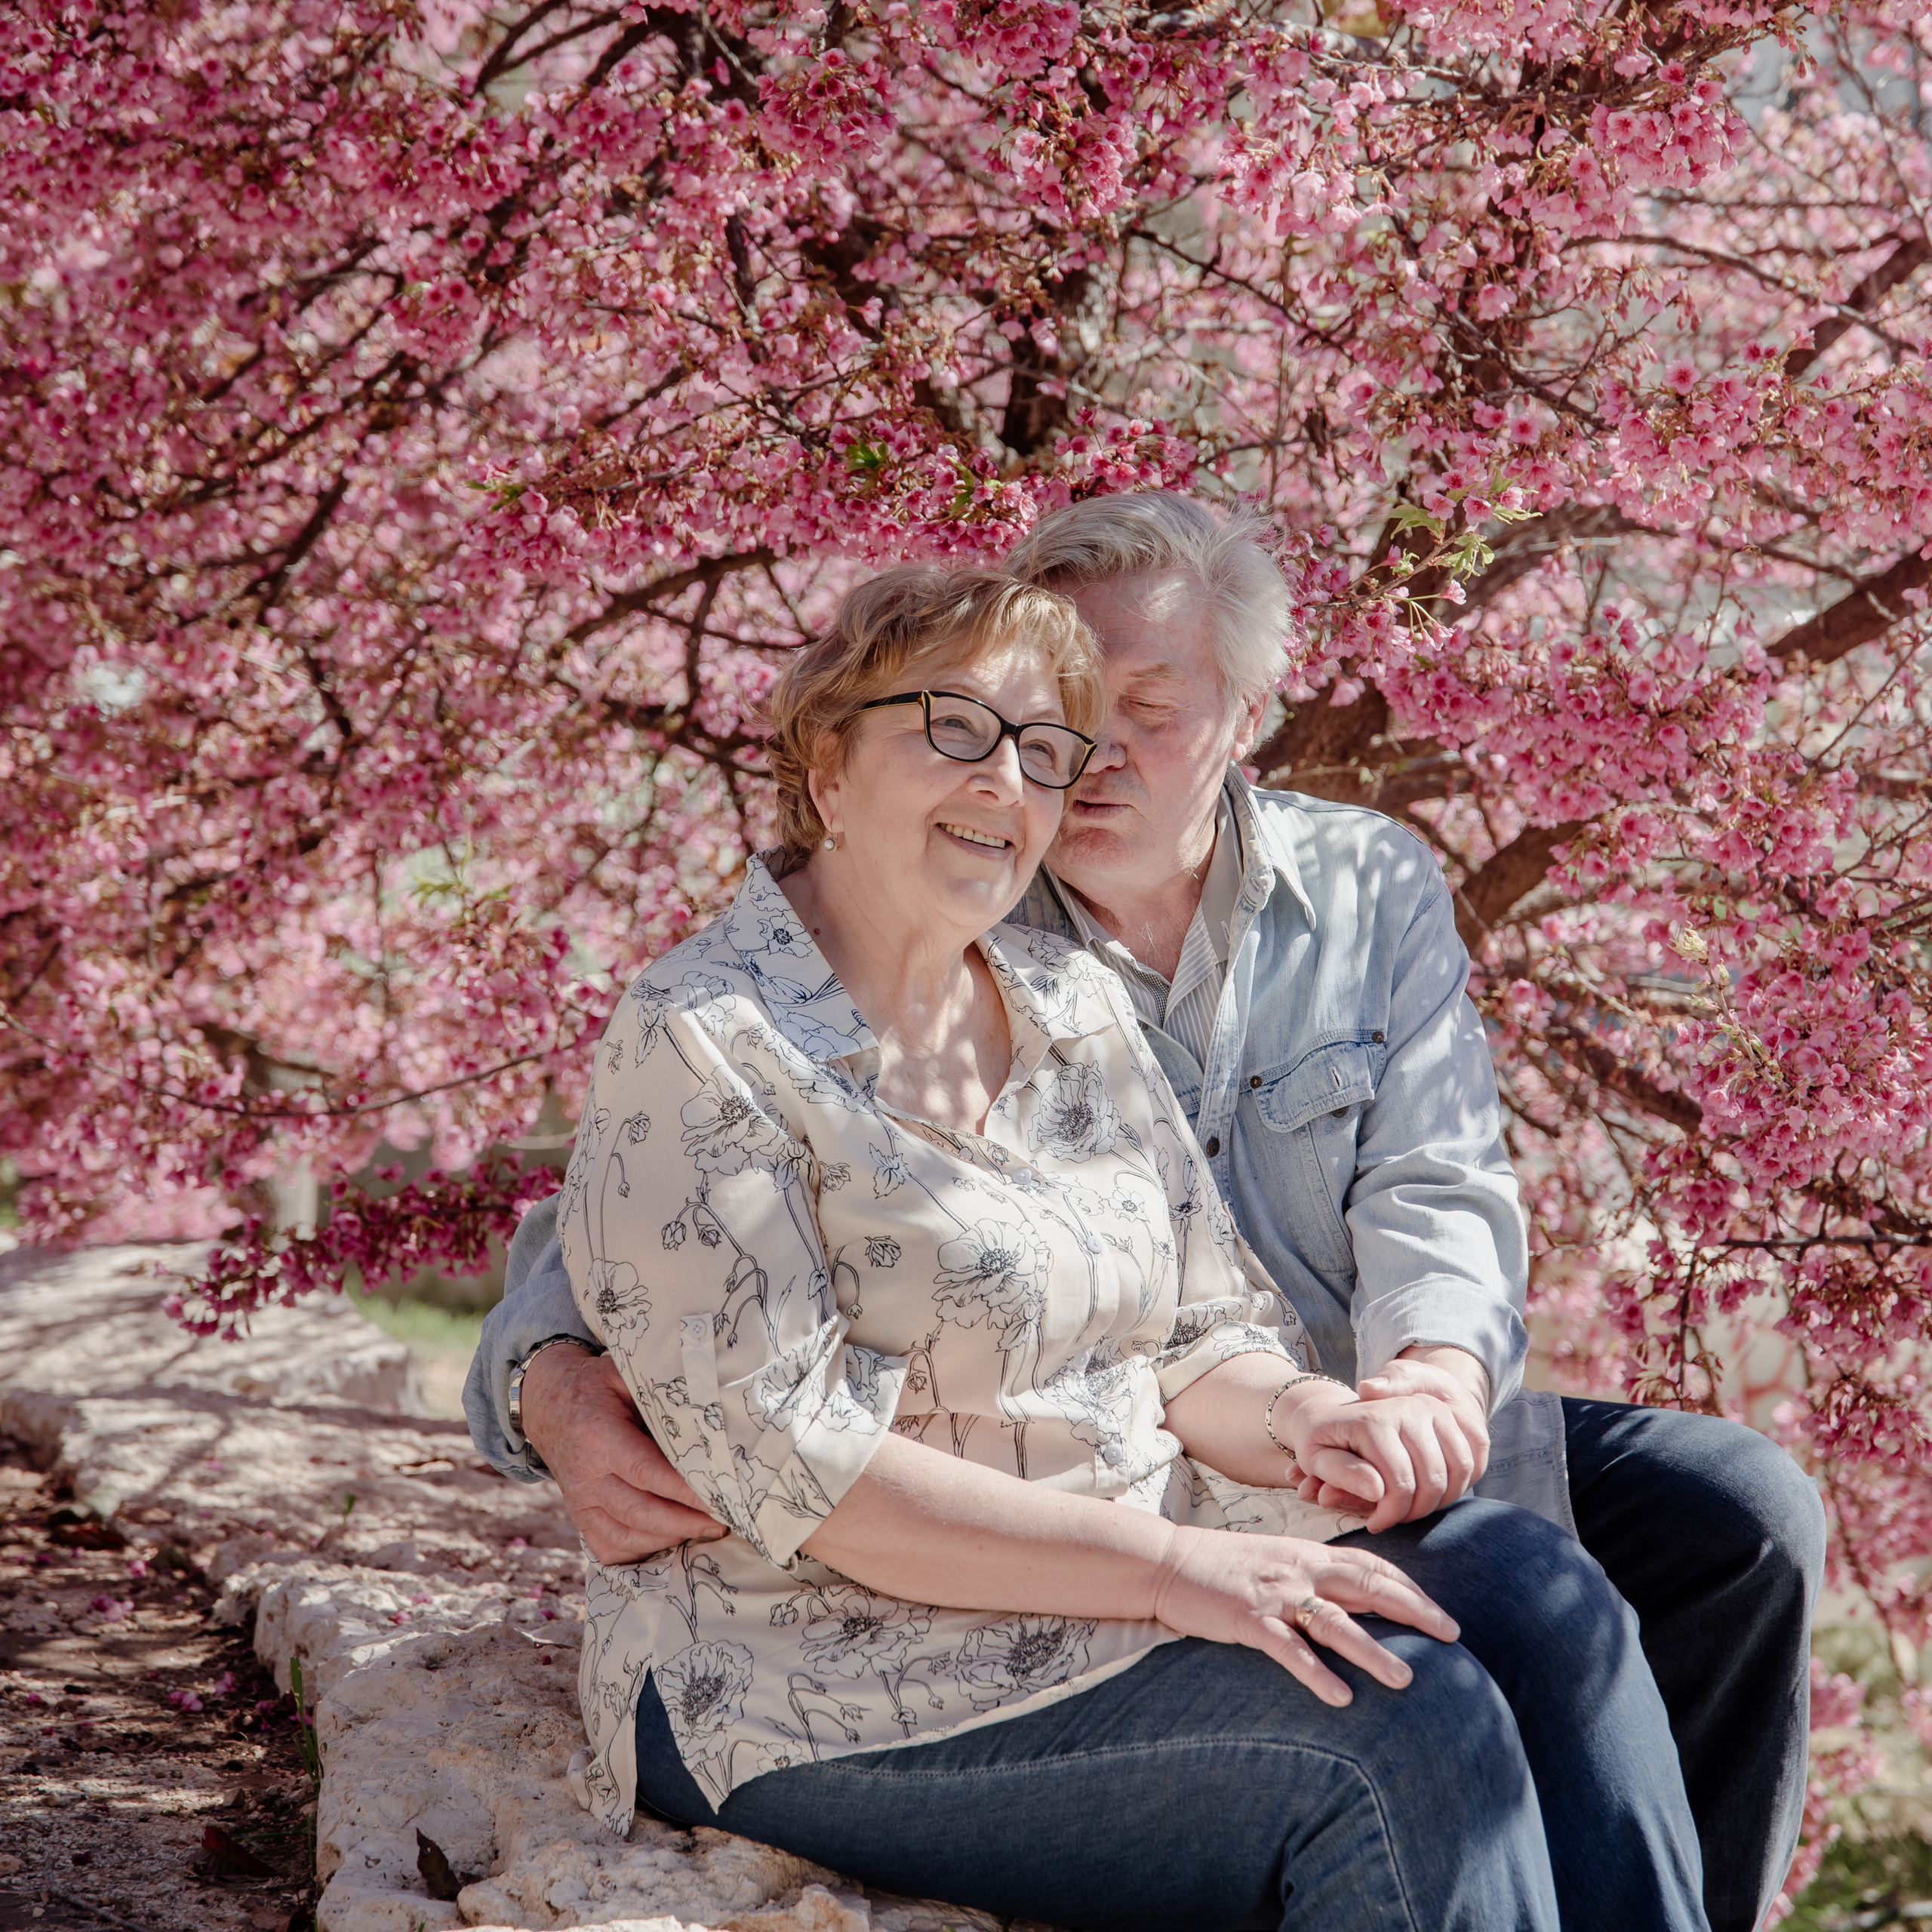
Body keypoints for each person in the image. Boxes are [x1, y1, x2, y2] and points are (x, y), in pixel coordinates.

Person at [469, 496, 1823, 1932]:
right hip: (892, 1609)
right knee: (1412, 1727)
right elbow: (639, 1247)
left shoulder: (1152, 963)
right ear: (828, 758)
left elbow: (1385, 1211)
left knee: (1601, 1574)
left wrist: (1375, 1394)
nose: (1053, 770)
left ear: (1242, 721)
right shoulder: (791, 991)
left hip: (1275, 1455)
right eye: (990, 726)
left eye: (1082, 732)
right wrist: (543, 1381)